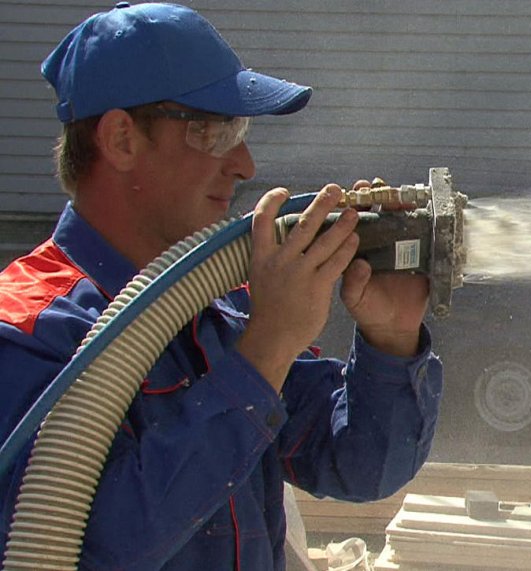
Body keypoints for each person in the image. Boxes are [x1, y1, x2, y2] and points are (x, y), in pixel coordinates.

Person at [0, 3, 442, 569]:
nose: (246, 164)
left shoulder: (222, 307)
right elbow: (86, 548)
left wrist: (391, 338)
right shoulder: (29, 332)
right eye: (214, 131)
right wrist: (265, 352)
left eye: (243, 132)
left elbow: (357, 466)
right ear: (121, 140)